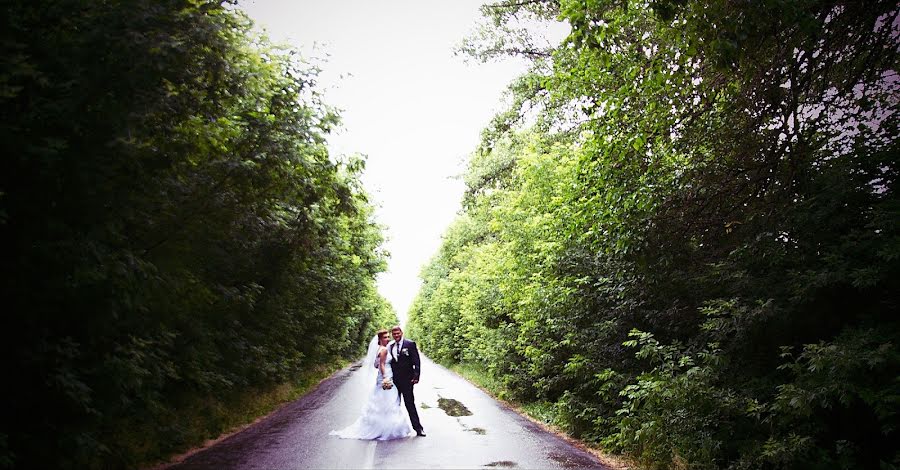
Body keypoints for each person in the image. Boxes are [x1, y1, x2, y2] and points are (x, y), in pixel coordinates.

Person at [330, 329, 413, 440]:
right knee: (390, 402)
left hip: (383, 377)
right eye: (385, 337)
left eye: (388, 337)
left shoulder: (380, 349)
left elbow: (375, 365)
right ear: (379, 339)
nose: (388, 339)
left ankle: (382, 427)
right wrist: (385, 378)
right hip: (386, 377)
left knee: (382, 402)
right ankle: (388, 429)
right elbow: (382, 365)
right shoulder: (384, 349)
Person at [389, 325, 425, 437]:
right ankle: (395, 430)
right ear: (392, 334)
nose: (396, 335)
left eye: (398, 333)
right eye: (394, 334)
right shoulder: (391, 346)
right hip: (395, 381)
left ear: (401, 332)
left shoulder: (410, 344)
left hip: (407, 380)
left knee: (409, 404)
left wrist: (416, 375)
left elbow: (416, 361)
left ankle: (418, 429)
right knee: (394, 404)